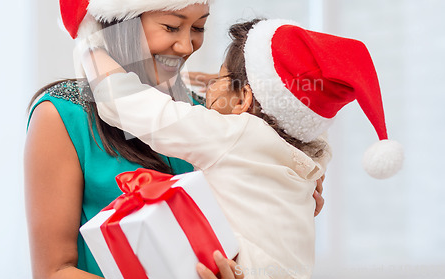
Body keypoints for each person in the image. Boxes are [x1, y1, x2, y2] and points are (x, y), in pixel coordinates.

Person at [24, 0, 325, 279]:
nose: (187, 46)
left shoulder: (202, 113)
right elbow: (54, 271)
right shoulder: (63, 117)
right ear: (118, 23)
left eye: (198, 27)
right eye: (171, 26)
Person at [81, 18, 404, 278]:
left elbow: (131, 106)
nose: (208, 90)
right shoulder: (309, 152)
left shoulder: (235, 135)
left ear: (244, 99)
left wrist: (90, 48)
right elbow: (287, 110)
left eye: (220, 77)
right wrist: (223, 85)